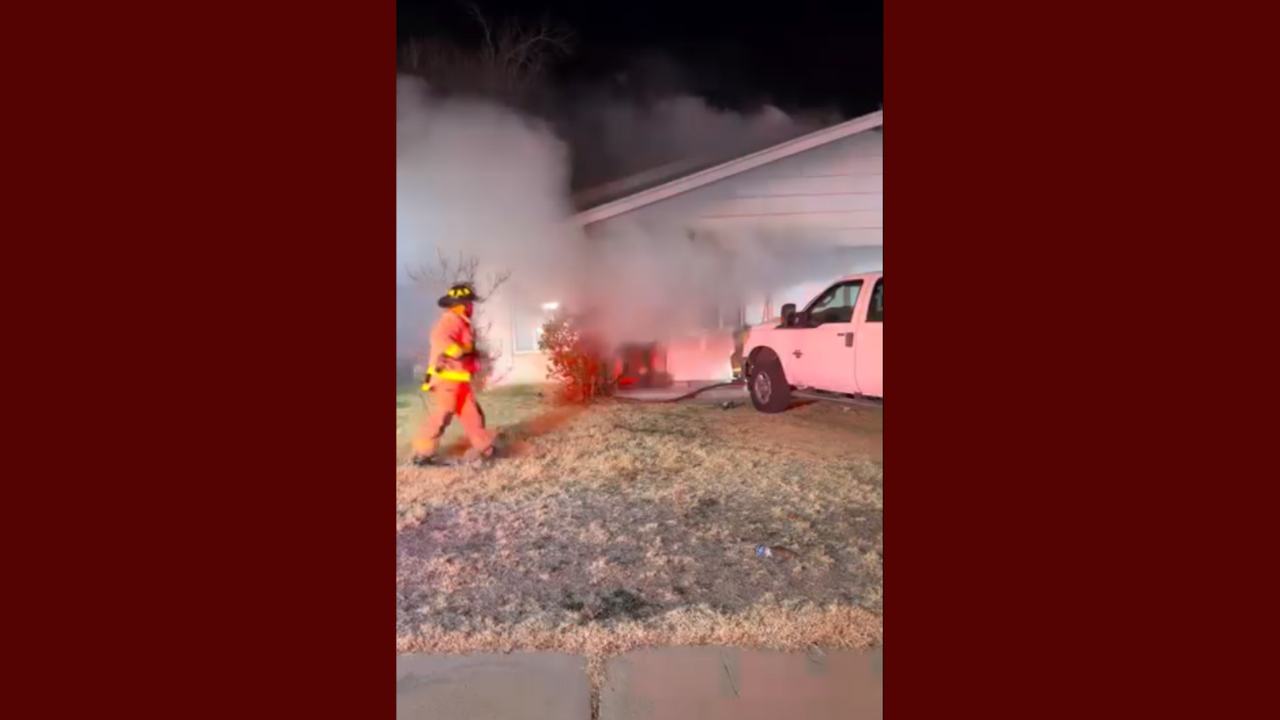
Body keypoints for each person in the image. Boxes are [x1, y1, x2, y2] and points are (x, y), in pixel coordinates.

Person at [410, 282, 496, 466]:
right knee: (443, 414)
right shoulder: (450, 320)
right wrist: (458, 352)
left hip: (460, 380)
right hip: (447, 379)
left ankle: (486, 449)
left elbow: (465, 350)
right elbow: (440, 339)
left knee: (473, 416)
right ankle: (422, 454)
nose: (472, 307)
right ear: (462, 304)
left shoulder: (462, 323)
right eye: (469, 303)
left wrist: (475, 357)